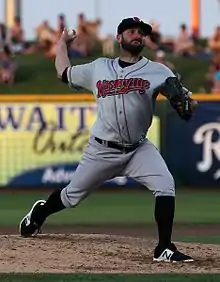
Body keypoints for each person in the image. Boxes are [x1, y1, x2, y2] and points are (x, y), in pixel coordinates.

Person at [19, 17, 197, 262]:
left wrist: (187, 103)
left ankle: (164, 248)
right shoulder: (99, 67)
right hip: (102, 151)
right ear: (119, 38)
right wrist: (62, 43)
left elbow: (185, 99)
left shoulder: (159, 70)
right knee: (71, 197)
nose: (137, 35)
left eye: (141, 33)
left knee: (165, 185)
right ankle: (39, 213)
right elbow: (63, 72)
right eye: (131, 31)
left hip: (138, 149)